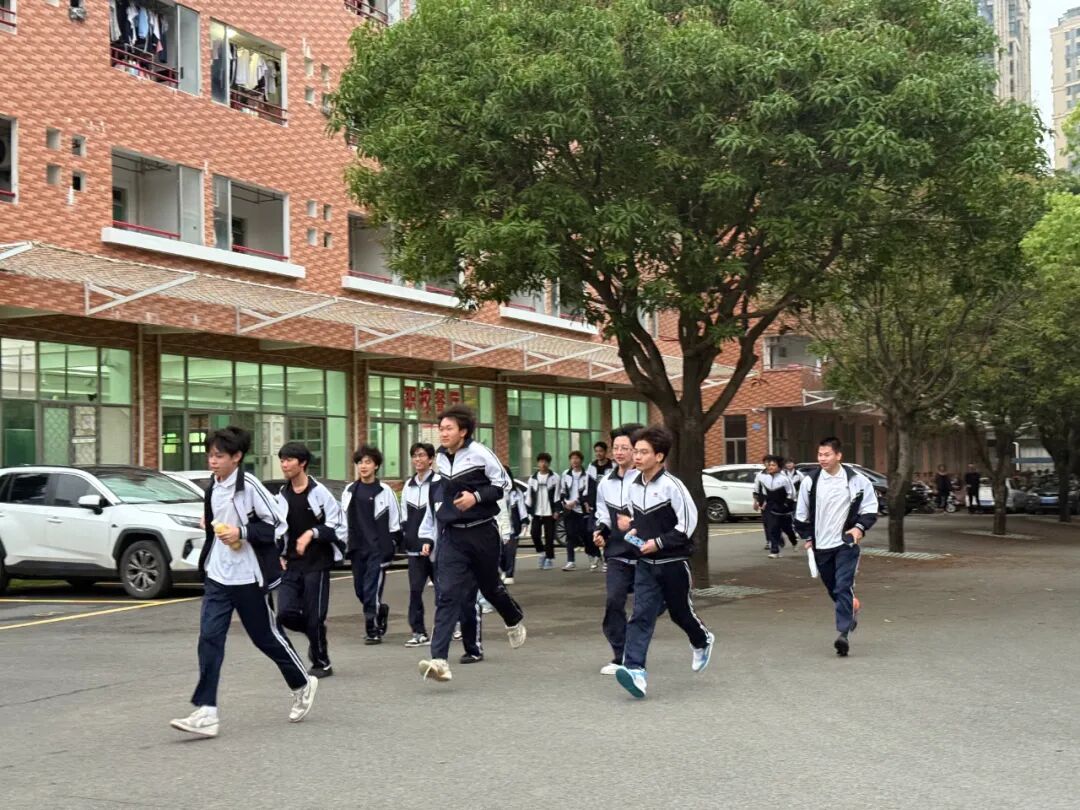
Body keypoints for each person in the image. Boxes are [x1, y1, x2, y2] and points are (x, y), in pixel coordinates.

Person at [170, 426, 316, 739]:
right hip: (218, 576)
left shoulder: (248, 485)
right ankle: (207, 711)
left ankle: (302, 682)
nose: (212, 461)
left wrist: (242, 532)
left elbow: (278, 523)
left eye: (219, 456)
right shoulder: (213, 486)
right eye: (210, 455)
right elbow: (214, 525)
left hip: (248, 577)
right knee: (209, 638)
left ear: (236, 457)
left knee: (265, 638)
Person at [418, 405, 527, 683]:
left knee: (490, 588)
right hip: (453, 536)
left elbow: (504, 485)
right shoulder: (440, 458)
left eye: (449, 428)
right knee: (447, 595)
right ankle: (439, 661)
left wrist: (476, 498)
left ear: (463, 431)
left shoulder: (480, 453)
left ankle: (513, 617)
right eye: (441, 428)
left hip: (482, 533)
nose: (443, 433)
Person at [613, 426, 714, 699]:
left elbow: (688, 525)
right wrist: (632, 531)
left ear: (659, 456)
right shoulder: (634, 486)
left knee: (680, 613)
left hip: (674, 562)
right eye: (636, 451)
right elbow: (639, 523)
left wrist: (657, 543)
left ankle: (702, 640)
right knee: (641, 615)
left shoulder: (672, 486)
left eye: (643, 452)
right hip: (646, 565)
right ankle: (635, 671)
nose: (637, 456)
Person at [794, 437, 879, 657]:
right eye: (820, 454)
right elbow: (800, 514)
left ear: (838, 455)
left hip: (846, 544)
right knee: (834, 588)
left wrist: (859, 528)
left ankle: (843, 634)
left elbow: (870, 508)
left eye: (827, 454)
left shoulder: (857, 480)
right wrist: (807, 536)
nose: (822, 459)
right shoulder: (810, 482)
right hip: (821, 546)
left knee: (843, 586)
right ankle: (851, 607)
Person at [274, 442, 348, 678]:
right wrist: (279, 554)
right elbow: (278, 529)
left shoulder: (319, 493)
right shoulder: (282, 495)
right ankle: (315, 632)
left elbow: (337, 525)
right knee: (284, 614)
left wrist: (312, 533)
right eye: (282, 460)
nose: (284, 465)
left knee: (315, 616)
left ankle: (321, 662)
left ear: (302, 463)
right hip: (292, 564)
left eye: (289, 460)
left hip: (317, 563)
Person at [592, 423, 643, 675]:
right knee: (614, 601)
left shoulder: (646, 481)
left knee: (651, 606)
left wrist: (632, 525)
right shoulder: (605, 483)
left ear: (637, 450)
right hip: (617, 554)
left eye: (625, 448)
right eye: (616, 448)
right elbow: (603, 514)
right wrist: (600, 532)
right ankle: (620, 656)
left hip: (644, 551)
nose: (619, 452)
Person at [343, 445, 402, 645]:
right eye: (360, 462)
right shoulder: (350, 490)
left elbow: (394, 520)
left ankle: (372, 629)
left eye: (368, 462)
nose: (363, 466)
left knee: (371, 591)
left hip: (377, 549)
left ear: (376, 465)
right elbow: (343, 519)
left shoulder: (385, 491)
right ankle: (380, 610)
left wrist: (392, 543)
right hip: (356, 548)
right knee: (361, 590)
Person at [400, 442, 438, 647]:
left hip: (437, 549)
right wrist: (407, 537)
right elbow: (404, 516)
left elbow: (439, 517)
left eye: (422, 455)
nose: (418, 459)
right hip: (415, 549)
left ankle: (452, 626)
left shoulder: (439, 483)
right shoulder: (409, 485)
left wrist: (430, 540)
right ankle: (418, 632)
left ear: (431, 459)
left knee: (443, 591)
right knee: (415, 591)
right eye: (415, 456)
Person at [754, 455, 797, 558]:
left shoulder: (784, 479)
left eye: (773, 465)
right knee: (772, 528)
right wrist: (762, 502)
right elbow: (762, 491)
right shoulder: (764, 478)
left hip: (784, 507)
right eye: (769, 465)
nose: (770, 467)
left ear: (779, 467)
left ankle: (794, 540)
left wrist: (786, 504)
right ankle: (775, 551)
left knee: (787, 528)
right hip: (771, 506)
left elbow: (791, 493)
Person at [527, 452, 560, 570]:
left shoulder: (555, 477)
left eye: (546, 462)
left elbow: (557, 495)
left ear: (549, 463)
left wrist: (557, 510)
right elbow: (529, 495)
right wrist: (529, 510)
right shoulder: (533, 478)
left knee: (549, 537)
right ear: (538, 463)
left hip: (549, 512)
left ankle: (549, 559)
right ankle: (541, 553)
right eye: (541, 461)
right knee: (534, 533)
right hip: (537, 512)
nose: (543, 464)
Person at [586, 442, 615, 571]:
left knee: (607, 532)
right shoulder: (591, 466)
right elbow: (588, 485)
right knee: (591, 531)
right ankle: (597, 555)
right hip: (595, 504)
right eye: (596, 451)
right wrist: (587, 501)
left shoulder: (613, 466)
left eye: (601, 451)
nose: (598, 453)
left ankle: (607, 560)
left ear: (605, 452)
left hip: (609, 503)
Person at [559, 450, 590, 571]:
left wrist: (576, 502)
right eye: (572, 458)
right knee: (570, 534)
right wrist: (565, 502)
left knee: (585, 534)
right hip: (568, 509)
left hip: (581, 509)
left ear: (581, 460)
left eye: (577, 458)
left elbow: (587, 492)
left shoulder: (586, 475)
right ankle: (570, 561)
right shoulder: (566, 474)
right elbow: (562, 490)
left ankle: (593, 554)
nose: (575, 461)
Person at [500, 466, 528, 584]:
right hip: (498, 527)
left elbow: (522, 508)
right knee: (499, 552)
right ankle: (503, 570)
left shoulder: (516, 492)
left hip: (512, 526)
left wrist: (524, 521)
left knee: (510, 551)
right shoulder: (494, 491)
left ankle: (509, 574)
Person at [780, 459, 803, 547]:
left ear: (794, 464)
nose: (789, 465)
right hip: (786, 499)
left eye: (790, 463)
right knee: (786, 517)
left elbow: (803, 485)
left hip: (796, 499)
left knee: (795, 515)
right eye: (787, 463)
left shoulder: (798, 474)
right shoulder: (782, 474)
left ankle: (796, 531)